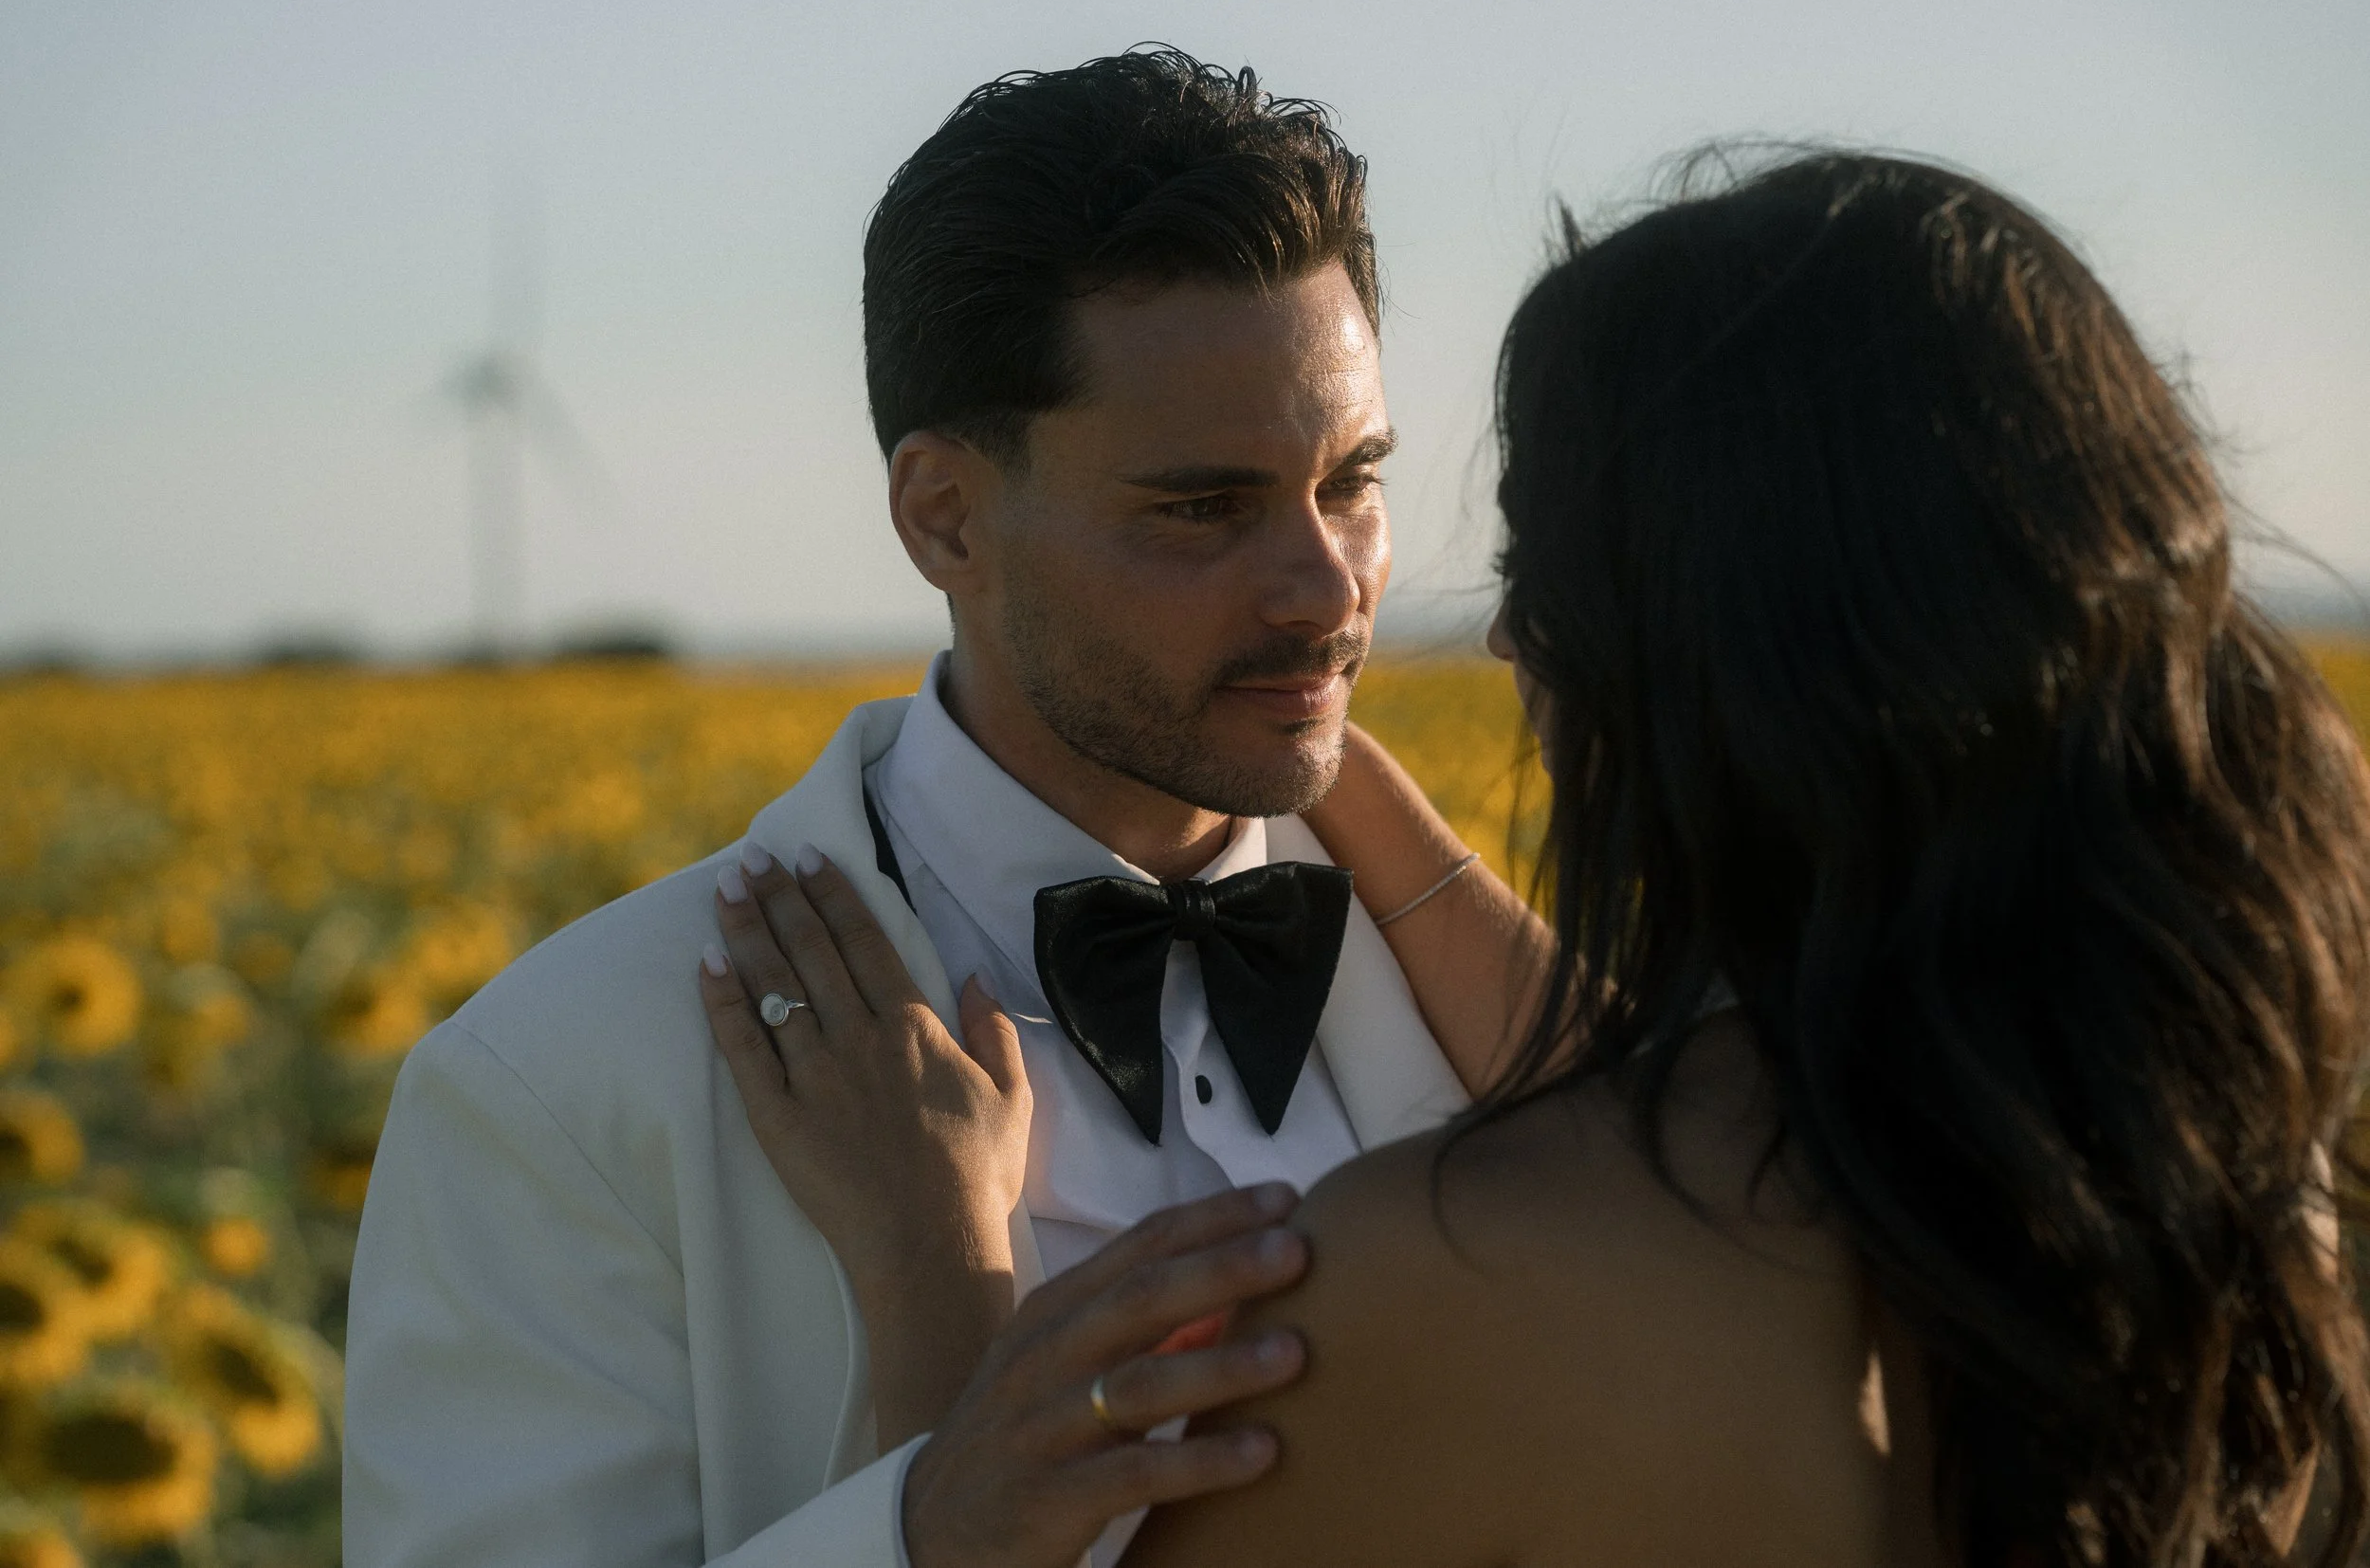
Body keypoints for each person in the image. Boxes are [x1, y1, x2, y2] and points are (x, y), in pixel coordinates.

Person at [707, 151, 2370, 1566]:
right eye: (1207, 507)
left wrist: (943, 1298)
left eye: (1544, 570)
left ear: (1701, 652)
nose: (1498, 633)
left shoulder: (1451, 1275)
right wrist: (1322, 765)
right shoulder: (2216, 1195)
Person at [344, 48, 1485, 1568]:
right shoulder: (563, 1081)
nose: (1328, 589)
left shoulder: (1490, 992)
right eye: (1203, 508)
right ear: (943, 517)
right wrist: (923, 1533)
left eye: (1352, 482)